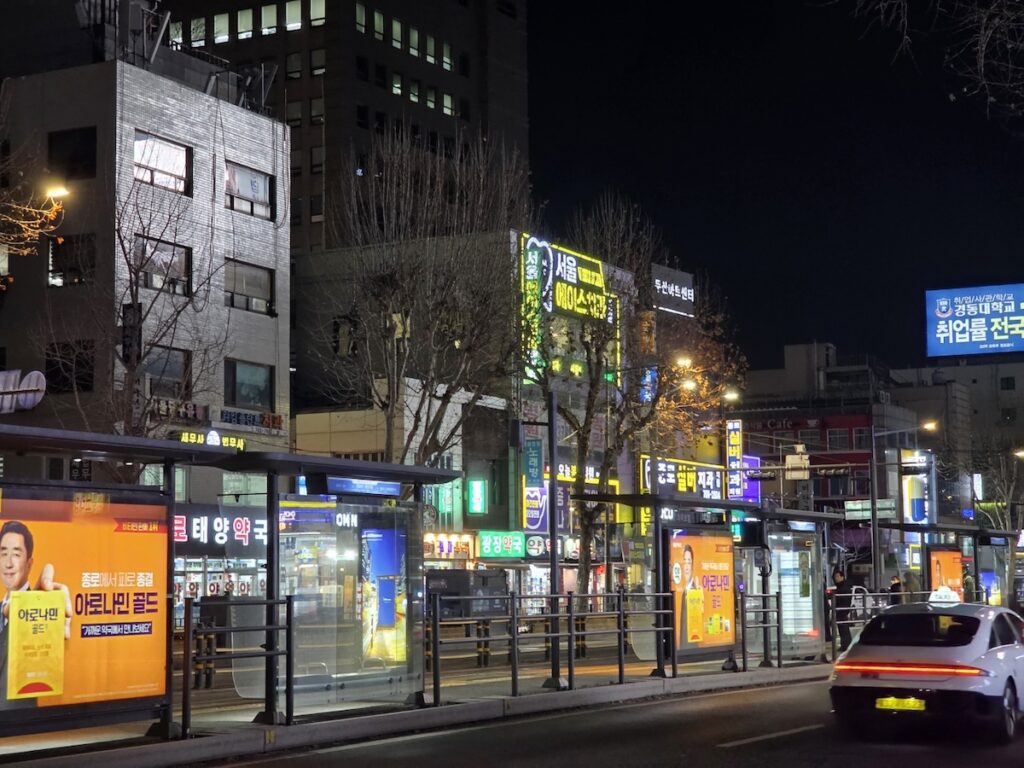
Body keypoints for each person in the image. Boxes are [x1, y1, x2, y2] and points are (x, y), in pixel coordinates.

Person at [0, 521, 71, 708]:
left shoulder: (38, 608)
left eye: (16, 554)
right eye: (3, 553)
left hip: (16, 727)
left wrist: (43, 608)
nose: (8, 563)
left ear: (29, 563)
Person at [832, 570, 853, 652]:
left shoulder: (844, 586)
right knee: (842, 627)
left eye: (838, 576)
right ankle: (845, 644)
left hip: (842, 609)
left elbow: (844, 598)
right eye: (835, 576)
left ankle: (846, 644)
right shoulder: (840, 586)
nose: (836, 578)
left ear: (842, 577)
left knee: (843, 627)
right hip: (840, 609)